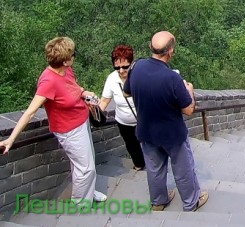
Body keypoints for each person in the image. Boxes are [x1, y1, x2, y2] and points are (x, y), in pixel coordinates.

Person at [0, 37, 108, 205]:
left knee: (83, 163)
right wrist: (11, 139)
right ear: (65, 60)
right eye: (73, 54)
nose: (74, 57)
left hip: (81, 120)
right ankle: (81, 205)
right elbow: (30, 112)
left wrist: (85, 93)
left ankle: (90, 191)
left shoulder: (67, 70)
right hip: (69, 130)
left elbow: (73, 87)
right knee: (86, 168)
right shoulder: (48, 81)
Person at [123, 31, 208, 212]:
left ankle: (159, 201)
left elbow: (126, 92)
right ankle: (191, 202)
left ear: (150, 48)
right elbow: (188, 109)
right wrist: (190, 90)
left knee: (154, 169)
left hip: (146, 131)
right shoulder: (173, 78)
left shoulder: (137, 67)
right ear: (170, 52)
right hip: (172, 134)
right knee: (183, 168)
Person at [99, 44, 145, 171]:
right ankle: (139, 165)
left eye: (125, 66)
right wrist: (95, 114)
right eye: (117, 67)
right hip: (123, 121)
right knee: (131, 145)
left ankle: (154, 170)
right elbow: (104, 100)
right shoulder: (112, 79)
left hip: (143, 119)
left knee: (149, 145)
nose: (121, 71)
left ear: (131, 63)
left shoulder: (139, 76)